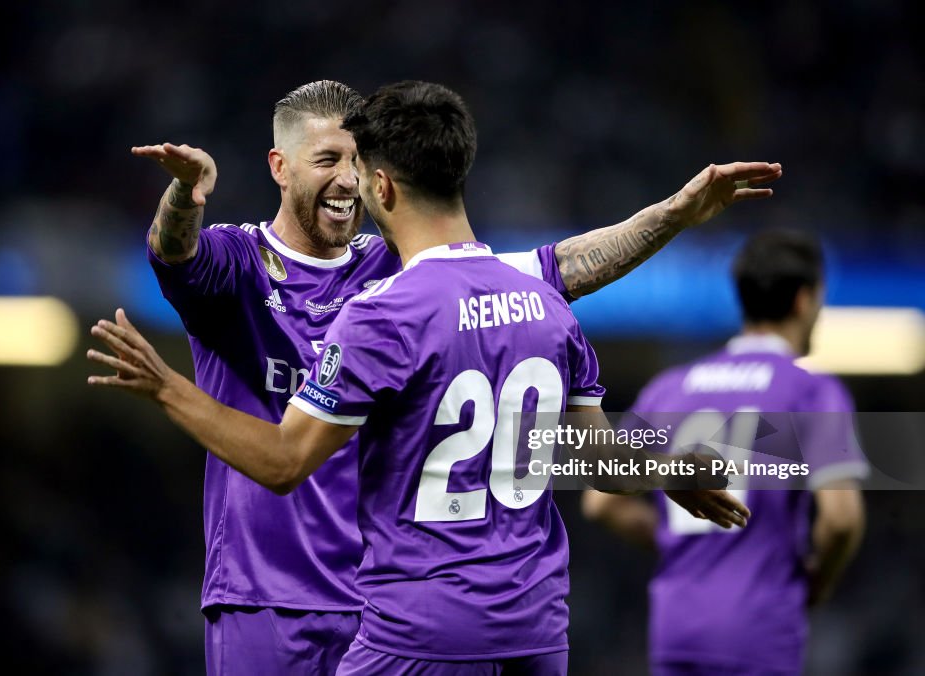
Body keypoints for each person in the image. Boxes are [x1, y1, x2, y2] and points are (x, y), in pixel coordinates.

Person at [91, 80, 751, 675]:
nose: (347, 179)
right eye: (328, 161)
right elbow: (174, 252)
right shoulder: (240, 261)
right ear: (279, 166)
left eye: (356, 160)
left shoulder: (394, 279)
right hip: (271, 595)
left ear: (382, 180)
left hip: (386, 599)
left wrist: (669, 216)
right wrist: (184, 194)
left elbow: (567, 266)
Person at [583, 229, 868, 675]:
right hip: (759, 627)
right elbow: (841, 518)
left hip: (677, 625)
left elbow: (600, 502)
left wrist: (671, 540)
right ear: (804, 300)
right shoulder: (812, 391)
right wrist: (819, 582)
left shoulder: (668, 389)